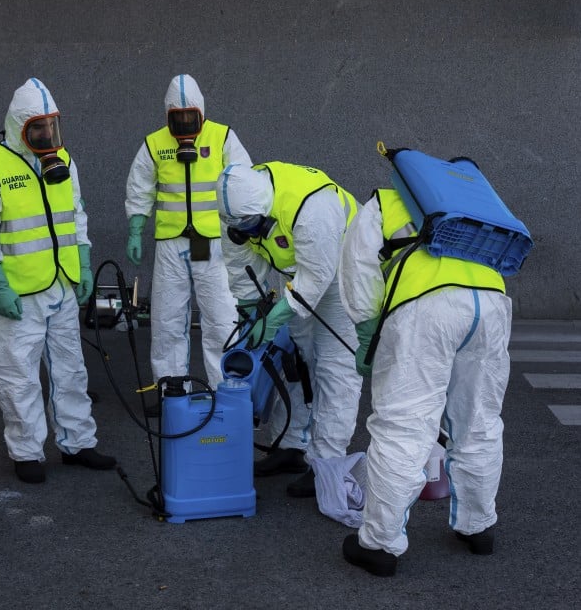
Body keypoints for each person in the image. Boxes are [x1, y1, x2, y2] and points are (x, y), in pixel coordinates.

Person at [338, 183, 512, 577]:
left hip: (425, 306)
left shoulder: (384, 200)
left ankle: (380, 544)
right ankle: (478, 526)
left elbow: (357, 266)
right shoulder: (476, 204)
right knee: (479, 423)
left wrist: (367, 329)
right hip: (492, 303)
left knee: (402, 426)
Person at [0, 78, 116, 484]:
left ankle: (78, 443)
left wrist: (82, 262)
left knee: (71, 369)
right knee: (18, 375)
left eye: (51, 126)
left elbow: (75, 215)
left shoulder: (62, 160)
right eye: (38, 128)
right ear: (18, 127)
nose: (47, 136)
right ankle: (27, 452)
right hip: (17, 292)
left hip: (61, 284)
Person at [217, 161, 361, 498]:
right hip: (301, 272)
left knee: (334, 368)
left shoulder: (312, 208)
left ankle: (327, 467)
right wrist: (251, 311)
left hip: (345, 272)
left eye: (253, 226)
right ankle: (291, 445)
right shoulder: (237, 213)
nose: (248, 234)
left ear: (262, 208)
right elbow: (240, 267)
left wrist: (279, 313)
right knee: (294, 360)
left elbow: (318, 276)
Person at [124, 74, 251, 395]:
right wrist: (136, 228)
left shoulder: (222, 137)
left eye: (188, 117)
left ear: (201, 112)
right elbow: (139, 188)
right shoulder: (154, 143)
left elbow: (244, 182)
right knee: (167, 319)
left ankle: (227, 390)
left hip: (208, 242)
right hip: (171, 243)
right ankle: (171, 391)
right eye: (176, 118)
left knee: (220, 316)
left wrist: (244, 226)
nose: (182, 123)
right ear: (167, 115)